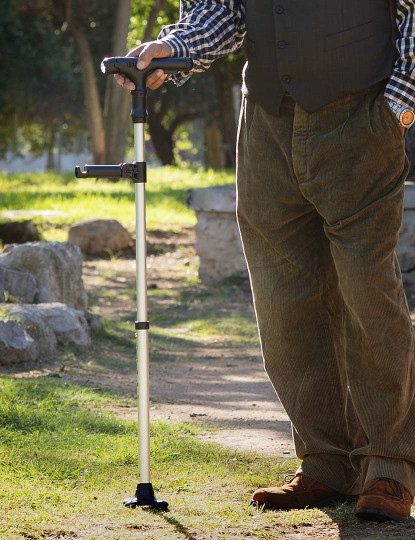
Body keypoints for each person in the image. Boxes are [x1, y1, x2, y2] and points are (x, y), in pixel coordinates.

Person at [116, 0, 415, 523]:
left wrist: (398, 105)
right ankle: (326, 462)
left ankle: (389, 466)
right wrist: (172, 47)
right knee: (283, 299)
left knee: (368, 291)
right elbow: (221, 11)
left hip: (362, 118)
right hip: (266, 127)